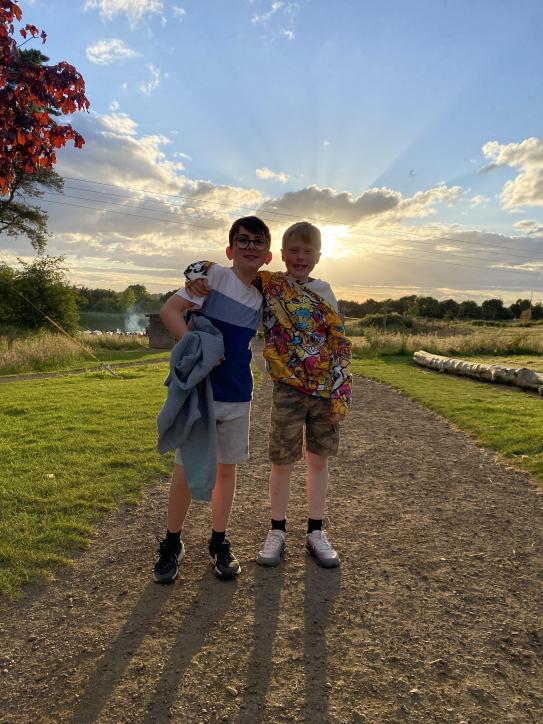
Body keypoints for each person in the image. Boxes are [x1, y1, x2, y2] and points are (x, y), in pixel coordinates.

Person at [185, 221, 352, 569]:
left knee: (318, 460)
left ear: (318, 256)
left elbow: (339, 343)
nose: (300, 257)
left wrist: (341, 394)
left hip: (323, 390)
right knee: (282, 461)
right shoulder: (271, 284)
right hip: (287, 389)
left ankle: (316, 531)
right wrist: (195, 277)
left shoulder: (325, 291)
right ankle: (277, 530)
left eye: (307, 251)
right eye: (294, 251)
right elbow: (218, 270)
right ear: (281, 255)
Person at [153, 216, 272, 583]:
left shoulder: (263, 297)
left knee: (226, 470)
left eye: (257, 242)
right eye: (242, 240)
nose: (250, 246)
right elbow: (169, 311)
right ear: (229, 249)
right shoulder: (213, 277)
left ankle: (218, 542)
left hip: (238, 394)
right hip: (201, 394)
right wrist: (197, 347)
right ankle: (172, 543)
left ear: (268, 255)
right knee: (185, 470)